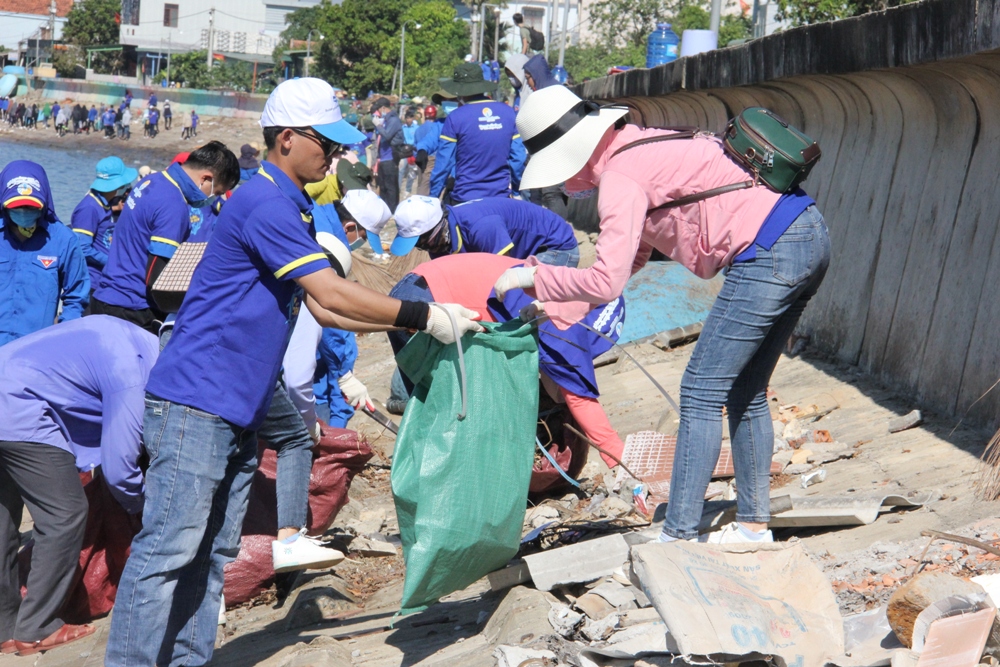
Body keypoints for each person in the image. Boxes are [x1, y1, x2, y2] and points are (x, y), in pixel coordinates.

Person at [105, 77, 483, 667]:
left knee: (211, 556)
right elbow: (329, 288)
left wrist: (414, 326)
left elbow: (324, 307)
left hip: (238, 405)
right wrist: (424, 314)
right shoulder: (263, 201)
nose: (335, 155)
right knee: (167, 552)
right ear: (287, 139)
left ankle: (187, 661)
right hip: (196, 401)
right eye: (326, 143)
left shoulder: (291, 205)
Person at [500, 85, 832, 544]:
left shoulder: (620, 179)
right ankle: (754, 526)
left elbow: (606, 281)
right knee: (745, 390)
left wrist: (531, 280)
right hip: (807, 232)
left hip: (769, 251)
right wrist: (559, 307)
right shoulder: (644, 142)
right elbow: (631, 258)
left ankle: (677, 534)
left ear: (572, 152)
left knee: (699, 389)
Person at [385, 252, 625, 466]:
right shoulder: (559, 321)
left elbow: (561, 377)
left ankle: (430, 478)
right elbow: (578, 397)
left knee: (429, 404)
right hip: (426, 299)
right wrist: (618, 455)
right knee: (452, 407)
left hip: (419, 286)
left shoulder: (557, 283)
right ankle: (458, 489)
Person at [90, 141, 238, 333]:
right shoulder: (174, 204)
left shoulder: (151, 181)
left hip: (106, 295)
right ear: (205, 179)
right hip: (133, 310)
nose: (213, 198)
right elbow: (156, 280)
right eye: (216, 192)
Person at [0, 161, 89, 347]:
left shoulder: (64, 240)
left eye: (30, 208)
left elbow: (76, 296)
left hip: (36, 348)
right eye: (17, 207)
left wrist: (63, 339)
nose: (23, 213)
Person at [428, 63, 526, 204]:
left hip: (466, 199)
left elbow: (444, 164)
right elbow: (518, 159)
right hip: (500, 198)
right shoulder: (508, 113)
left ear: (459, 91)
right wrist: (516, 190)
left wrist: (433, 196)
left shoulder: (455, 118)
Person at [389, 195, 579, 266]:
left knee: (522, 296)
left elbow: (506, 272)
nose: (424, 249)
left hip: (555, 248)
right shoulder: (443, 238)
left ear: (438, 229)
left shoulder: (481, 226)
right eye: (418, 246)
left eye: (422, 242)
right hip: (523, 253)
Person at [71, 157, 138, 301]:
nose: (128, 188)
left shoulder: (105, 204)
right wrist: (112, 261)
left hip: (104, 280)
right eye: (126, 184)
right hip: (90, 283)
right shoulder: (89, 208)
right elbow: (82, 248)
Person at [370, 97, 402, 212]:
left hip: (390, 157)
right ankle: (385, 209)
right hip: (382, 158)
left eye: (379, 109)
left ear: (383, 108)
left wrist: (378, 125)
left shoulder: (393, 120)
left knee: (391, 186)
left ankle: (393, 210)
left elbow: (387, 135)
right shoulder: (386, 120)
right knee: (382, 186)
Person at [413, 104, 443, 196]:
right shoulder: (437, 127)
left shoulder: (418, 129)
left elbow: (415, 146)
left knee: (420, 184)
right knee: (429, 186)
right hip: (433, 159)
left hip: (419, 158)